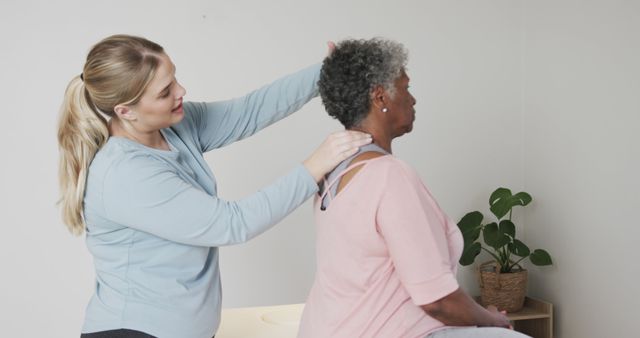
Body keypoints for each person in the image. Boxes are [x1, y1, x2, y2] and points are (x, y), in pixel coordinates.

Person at [57, 34, 371, 338]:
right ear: (126, 111)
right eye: (165, 91)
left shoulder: (175, 125)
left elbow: (249, 111)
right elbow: (233, 224)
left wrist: (324, 73)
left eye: (175, 78)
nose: (181, 91)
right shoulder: (125, 174)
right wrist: (317, 164)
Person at [297, 38, 530, 338]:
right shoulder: (390, 176)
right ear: (380, 97)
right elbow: (437, 301)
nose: (413, 99)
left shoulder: (330, 174)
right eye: (406, 88)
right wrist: (491, 318)